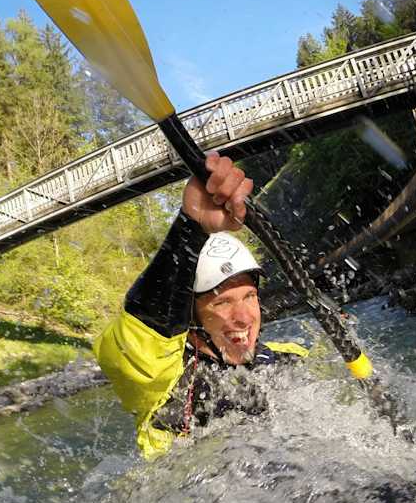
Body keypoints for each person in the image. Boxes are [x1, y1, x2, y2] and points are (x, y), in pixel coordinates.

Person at [94, 152, 308, 459]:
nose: (244, 317)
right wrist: (191, 227)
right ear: (191, 319)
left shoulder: (289, 358)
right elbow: (140, 337)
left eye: (249, 296)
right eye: (222, 302)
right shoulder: (165, 383)